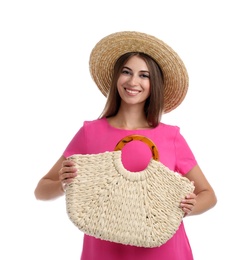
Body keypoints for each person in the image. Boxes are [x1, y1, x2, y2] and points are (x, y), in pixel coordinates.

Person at [34, 31, 217, 260]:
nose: (133, 82)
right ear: (116, 77)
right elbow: (41, 190)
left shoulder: (171, 137)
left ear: (154, 84)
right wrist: (63, 183)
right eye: (126, 72)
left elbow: (208, 194)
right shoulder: (90, 133)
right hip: (103, 252)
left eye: (144, 75)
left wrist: (190, 206)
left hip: (165, 252)